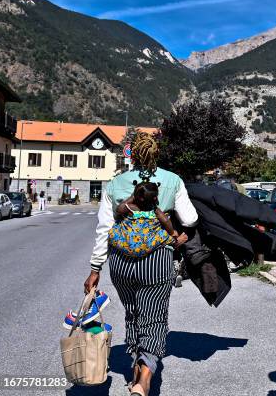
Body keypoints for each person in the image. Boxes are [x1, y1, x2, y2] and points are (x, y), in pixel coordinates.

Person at [84, 132, 198, 396]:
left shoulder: (115, 184)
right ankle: (144, 377)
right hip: (156, 260)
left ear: (132, 155)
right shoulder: (173, 181)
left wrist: (95, 269)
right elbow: (190, 219)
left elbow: (104, 228)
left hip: (121, 262)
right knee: (154, 316)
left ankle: (135, 365)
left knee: (134, 312)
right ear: (157, 153)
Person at [109, 181, 188, 258]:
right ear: (155, 198)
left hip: (126, 245)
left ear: (136, 196)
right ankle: (175, 241)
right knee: (163, 235)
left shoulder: (131, 208)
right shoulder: (155, 210)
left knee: (115, 229)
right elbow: (165, 221)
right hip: (147, 245)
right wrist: (172, 233)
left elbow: (118, 209)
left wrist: (131, 198)